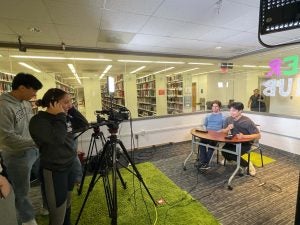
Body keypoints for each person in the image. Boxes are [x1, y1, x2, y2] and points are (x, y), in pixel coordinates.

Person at [29, 88, 88, 225]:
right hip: (54, 170)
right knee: (58, 210)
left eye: (71, 102)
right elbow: (57, 140)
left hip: (69, 165)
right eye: (66, 102)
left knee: (67, 204)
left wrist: (71, 109)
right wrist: (60, 116)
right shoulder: (38, 121)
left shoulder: (65, 115)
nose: (69, 105)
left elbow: (84, 125)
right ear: (53, 103)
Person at [0, 73, 43, 225]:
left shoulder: (25, 102)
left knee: (43, 178)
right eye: (33, 90)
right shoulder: (3, 106)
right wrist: (35, 142)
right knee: (22, 191)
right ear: (22, 87)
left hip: (34, 150)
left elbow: (30, 124)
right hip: (16, 156)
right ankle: (27, 220)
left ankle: (44, 207)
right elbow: (7, 138)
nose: (35, 94)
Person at [220, 102, 261, 176]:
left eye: (234, 110)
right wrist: (227, 128)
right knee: (224, 151)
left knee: (233, 154)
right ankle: (231, 160)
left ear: (240, 111)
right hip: (233, 141)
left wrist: (244, 136)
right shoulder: (228, 119)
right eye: (230, 110)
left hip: (246, 143)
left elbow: (258, 136)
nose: (231, 112)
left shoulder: (247, 121)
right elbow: (223, 132)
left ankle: (248, 165)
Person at [197, 100, 225, 169]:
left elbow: (224, 128)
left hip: (216, 136)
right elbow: (204, 125)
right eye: (213, 106)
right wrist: (205, 129)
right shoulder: (208, 115)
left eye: (216, 106)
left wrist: (218, 132)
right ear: (211, 107)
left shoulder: (223, 117)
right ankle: (204, 162)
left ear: (219, 107)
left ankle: (204, 163)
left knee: (211, 146)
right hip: (207, 134)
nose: (214, 108)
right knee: (201, 144)